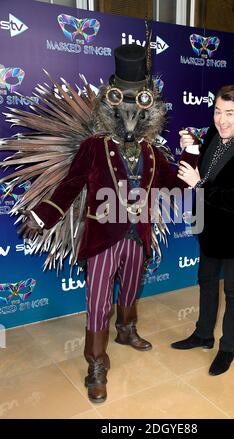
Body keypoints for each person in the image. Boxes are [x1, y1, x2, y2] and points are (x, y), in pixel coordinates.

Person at [15, 44, 199, 403]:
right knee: (98, 300)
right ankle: (96, 362)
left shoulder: (151, 152)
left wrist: (190, 154)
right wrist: (43, 214)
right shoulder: (93, 147)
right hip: (102, 235)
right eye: (123, 106)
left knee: (130, 289)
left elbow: (171, 184)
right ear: (111, 107)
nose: (130, 115)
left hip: (138, 233)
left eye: (137, 107)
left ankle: (126, 330)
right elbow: (69, 186)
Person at [171, 84, 234, 375]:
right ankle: (203, 334)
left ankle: (226, 349)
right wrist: (190, 146)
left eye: (229, 113)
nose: (221, 119)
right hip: (209, 226)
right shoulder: (215, 133)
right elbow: (205, 166)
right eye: (217, 111)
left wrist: (199, 184)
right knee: (206, 280)